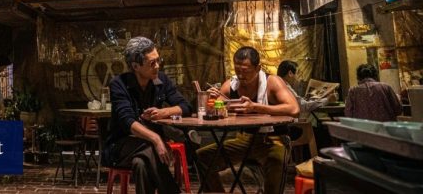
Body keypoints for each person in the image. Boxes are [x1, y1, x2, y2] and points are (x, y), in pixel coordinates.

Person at [198, 46, 299, 194]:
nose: (240, 75)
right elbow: (214, 109)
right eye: (237, 70)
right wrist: (211, 100)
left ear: (258, 68)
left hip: (274, 139)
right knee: (202, 158)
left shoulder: (272, 82)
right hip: (245, 138)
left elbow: (294, 110)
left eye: (245, 71)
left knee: (276, 163)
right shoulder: (232, 85)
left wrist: (256, 107)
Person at [103, 36, 191, 194]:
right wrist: (156, 139)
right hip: (122, 146)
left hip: (146, 149)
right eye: (152, 63)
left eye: (158, 60)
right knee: (150, 147)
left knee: (141, 164)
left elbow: (186, 106)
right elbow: (127, 122)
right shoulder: (119, 84)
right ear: (135, 66)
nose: (157, 66)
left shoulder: (161, 80)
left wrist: (165, 112)